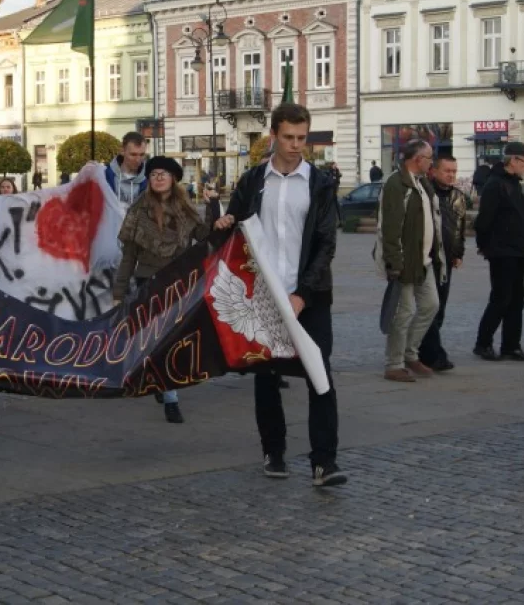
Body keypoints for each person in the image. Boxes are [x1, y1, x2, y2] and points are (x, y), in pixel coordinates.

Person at [214, 103, 346, 488]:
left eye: (302, 138)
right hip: (265, 293)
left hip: (311, 294)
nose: (295, 145)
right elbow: (234, 226)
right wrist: (224, 223)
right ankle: (273, 451)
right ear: (273, 135)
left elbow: (326, 243)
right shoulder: (255, 179)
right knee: (266, 374)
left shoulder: (319, 184)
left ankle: (325, 462)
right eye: (288, 137)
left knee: (319, 372)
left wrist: (303, 293)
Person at [113, 157, 211, 424]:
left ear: (173, 179)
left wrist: (212, 204)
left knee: (171, 340)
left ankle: (164, 388)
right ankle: (168, 395)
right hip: (148, 283)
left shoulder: (185, 209)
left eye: (163, 174)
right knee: (155, 340)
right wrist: (119, 293)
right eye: (154, 173)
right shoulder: (139, 210)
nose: (158, 178)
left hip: (178, 283)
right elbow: (128, 257)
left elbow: (207, 236)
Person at [376, 139, 444, 383]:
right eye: (428, 157)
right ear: (417, 160)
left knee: (430, 306)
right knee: (403, 313)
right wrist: (395, 262)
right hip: (405, 261)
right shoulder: (397, 183)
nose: (431, 162)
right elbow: (390, 227)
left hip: (423, 261)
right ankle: (394, 364)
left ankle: (410, 353)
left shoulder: (423, 183)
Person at [473, 142, 524, 362]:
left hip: (518, 250)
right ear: (513, 161)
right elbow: (484, 220)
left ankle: (511, 345)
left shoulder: (514, 184)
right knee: (501, 298)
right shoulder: (495, 184)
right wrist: (485, 246)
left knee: (517, 299)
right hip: (501, 251)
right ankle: (483, 343)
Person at [417, 155, 466, 371]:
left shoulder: (458, 196)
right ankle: (433, 355)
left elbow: (459, 228)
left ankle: (423, 350)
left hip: (447, 260)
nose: (451, 175)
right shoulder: (425, 193)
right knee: (430, 307)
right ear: (434, 171)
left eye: (454, 171)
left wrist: (458, 253)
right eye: (447, 170)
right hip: (428, 259)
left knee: (440, 308)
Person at [106, 132, 148, 210]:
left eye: (142, 155)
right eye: (133, 154)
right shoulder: (104, 176)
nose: (138, 160)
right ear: (122, 151)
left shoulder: (150, 179)